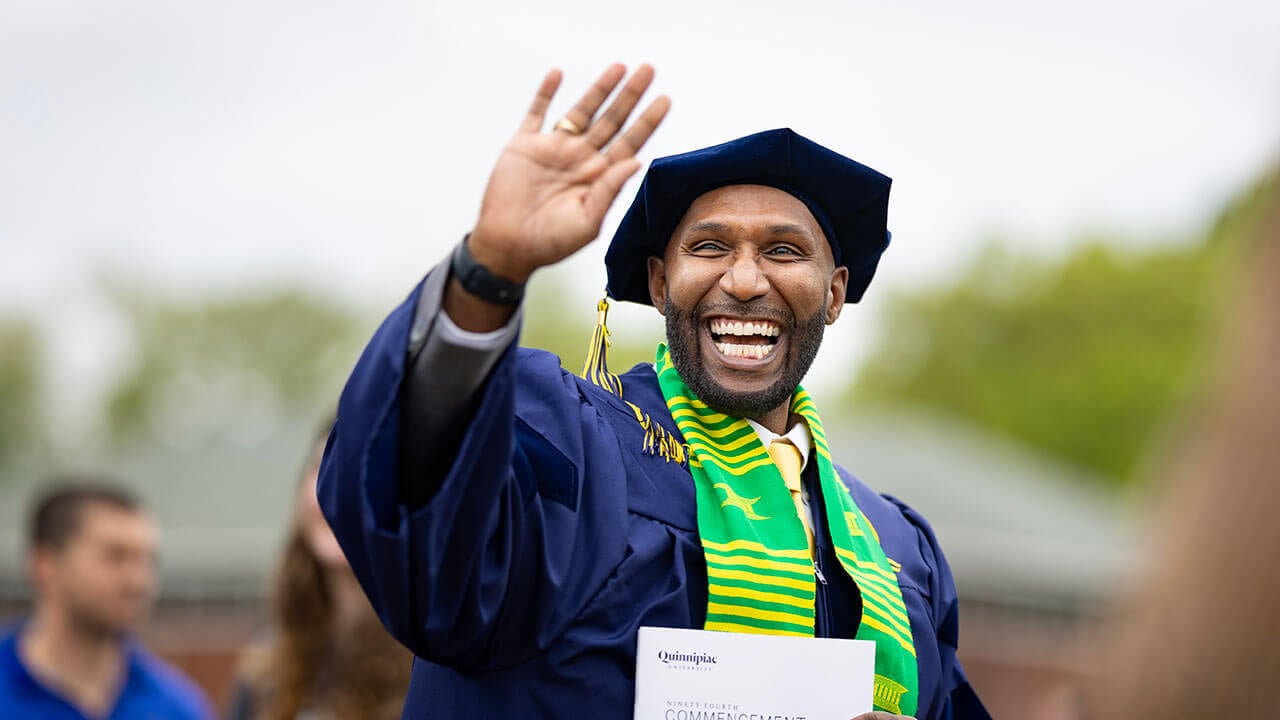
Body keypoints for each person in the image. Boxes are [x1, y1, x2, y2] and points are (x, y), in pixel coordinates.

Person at [318, 64, 988, 720]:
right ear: (661, 284)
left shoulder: (896, 549)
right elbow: (416, 521)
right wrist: (487, 270)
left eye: (784, 251)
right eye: (710, 247)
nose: (745, 281)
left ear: (834, 292)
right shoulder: (566, 449)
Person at [226, 424, 412, 720]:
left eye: (354, 476)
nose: (334, 494)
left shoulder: (425, 666)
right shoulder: (266, 668)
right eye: (322, 470)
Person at [0, 481, 214, 720]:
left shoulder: (175, 707)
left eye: (146, 560)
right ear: (45, 565)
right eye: (115, 557)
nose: (138, 581)